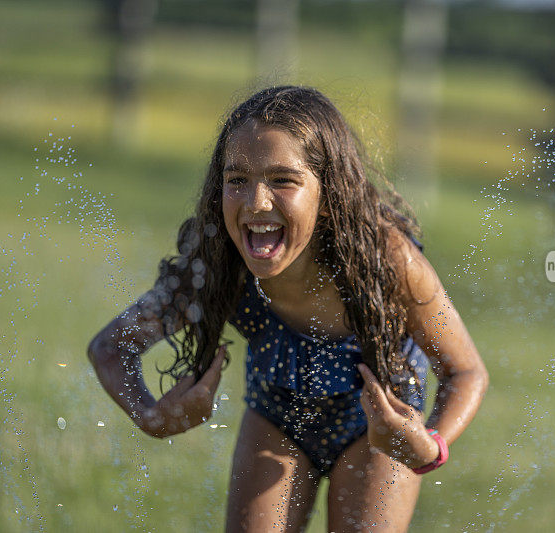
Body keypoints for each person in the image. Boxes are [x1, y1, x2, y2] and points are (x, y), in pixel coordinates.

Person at [87, 85, 488, 532]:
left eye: (282, 180)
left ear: (330, 191)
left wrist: (430, 446)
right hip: (276, 417)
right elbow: (110, 348)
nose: (256, 202)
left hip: (380, 431)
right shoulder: (220, 263)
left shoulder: (386, 260)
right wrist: (150, 417)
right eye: (237, 179)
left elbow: (465, 371)